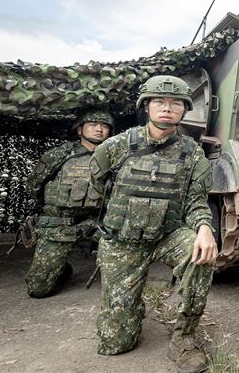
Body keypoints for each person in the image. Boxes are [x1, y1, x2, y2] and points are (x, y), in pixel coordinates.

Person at [89, 75, 217, 372]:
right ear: (147, 106)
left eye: (175, 103)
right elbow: (99, 185)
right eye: (159, 101)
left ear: (184, 110)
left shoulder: (192, 152)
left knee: (199, 253)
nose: (167, 108)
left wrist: (204, 229)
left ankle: (184, 338)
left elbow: (196, 200)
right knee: (115, 343)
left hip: (167, 235)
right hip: (123, 241)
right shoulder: (116, 146)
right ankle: (129, 308)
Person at [25, 109, 114, 298]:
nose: (99, 129)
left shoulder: (115, 157)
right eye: (93, 124)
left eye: (105, 126)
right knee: (38, 289)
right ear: (80, 130)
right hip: (60, 224)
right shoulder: (58, 155)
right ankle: (61, 269)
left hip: (99, 222)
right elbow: (34, 185)